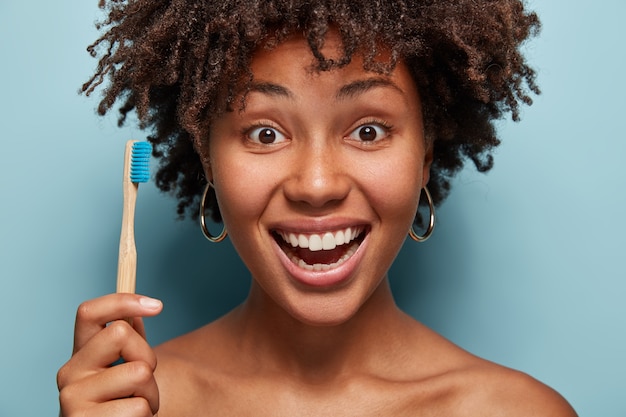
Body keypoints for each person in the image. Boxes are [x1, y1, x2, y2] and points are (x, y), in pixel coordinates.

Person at [57, 1, 578, 415]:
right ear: (208, 160)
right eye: (265, 133)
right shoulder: (132, 405)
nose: (317, 184)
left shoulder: (518, 411)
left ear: (425, 154)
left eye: (368, 131)